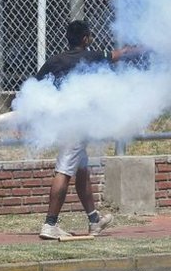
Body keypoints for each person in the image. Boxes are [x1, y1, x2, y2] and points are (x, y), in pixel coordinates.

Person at [35, 20, 130, 240]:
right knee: (64, 170)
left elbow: (34, 87)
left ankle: (94, 220)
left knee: (82, 170)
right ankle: (50, 224)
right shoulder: (92, 57)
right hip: (75, 125)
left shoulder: (55, 60)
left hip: (65, 122)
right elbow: (120, 54)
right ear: (86, 38)